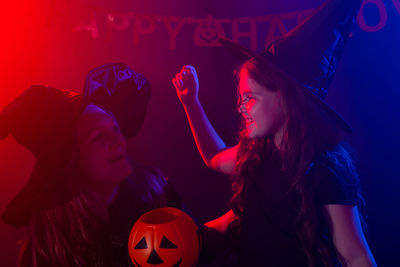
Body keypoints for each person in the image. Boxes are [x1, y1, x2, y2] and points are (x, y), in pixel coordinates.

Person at [172, 0, 377, 266]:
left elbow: (355, 255)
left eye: (250, 98)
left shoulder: (326, 170)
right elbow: (215, 159)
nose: (240, 107)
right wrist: (191, 103)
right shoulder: (258, 152)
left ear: (285, 100)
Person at [0, 63, 181, 266]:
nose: (118, 141)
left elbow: (194, 241)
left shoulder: (156, 192)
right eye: (98, 137)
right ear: (71, 160)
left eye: (115, 128)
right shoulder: (50, 233)